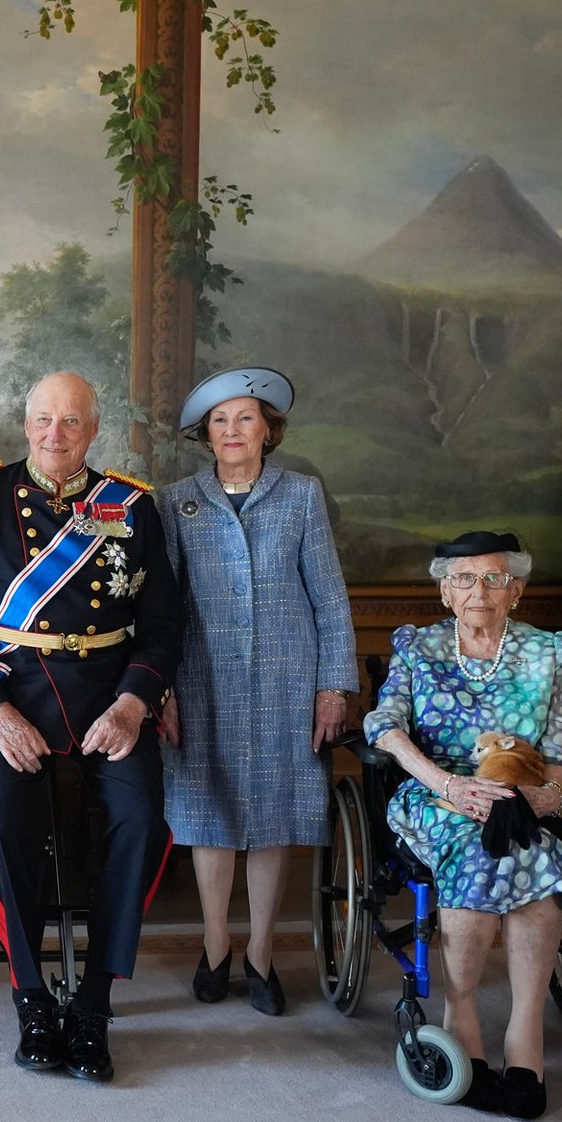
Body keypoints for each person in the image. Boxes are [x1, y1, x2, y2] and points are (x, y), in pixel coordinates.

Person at [0, 372, 182, 1082]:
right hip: (11, 694)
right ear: (26, 424)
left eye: (71, 421)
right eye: (43, 419)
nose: (55, 433)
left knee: (142, 822)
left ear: (93, 430)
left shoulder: (130, 504)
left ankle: (94, 1000)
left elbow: (162, 623)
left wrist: (134, 702)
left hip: (108, 699)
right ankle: (32, 998)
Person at [365, 530, 562, 1118]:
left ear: (516, 590)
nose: (479, 591)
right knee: (478, 850)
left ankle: (525, 1036)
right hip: (441, 794)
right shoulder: (418, 646)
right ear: (445, 591)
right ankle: (460, 1016)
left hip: (531, 790)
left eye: (494, 578)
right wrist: (447, 783)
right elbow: (384, 725)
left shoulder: (550, 652)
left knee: (533, 848)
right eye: (464, 579)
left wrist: (550, 793)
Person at [157, 367, 357, 1015]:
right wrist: (162, 691)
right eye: (220, 420)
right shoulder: (176, 501)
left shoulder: (301, 496)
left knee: (275, 819)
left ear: (269, 430)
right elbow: (162, 608)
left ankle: (262, 954)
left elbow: (329, 598)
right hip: (201, 680)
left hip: (287, 683)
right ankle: (215, 945)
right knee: (209, 816)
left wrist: (334, 687)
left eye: (246, 418)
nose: (233, 430)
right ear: (205, 435)